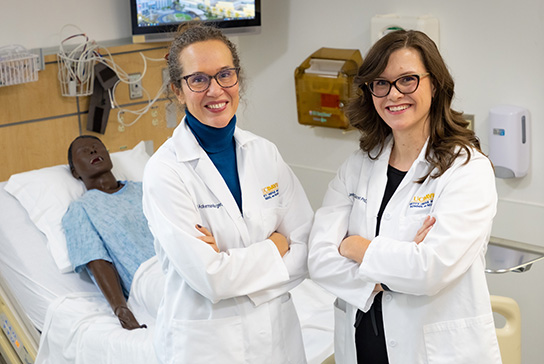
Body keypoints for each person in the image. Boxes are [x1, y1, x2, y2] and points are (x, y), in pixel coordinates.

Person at [308, 30, 502, 364]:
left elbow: (429, 270)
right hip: (362, 346)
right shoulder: (356, 166)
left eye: (407, 80)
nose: (393, 94)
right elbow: (319, 260)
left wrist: (355, 247)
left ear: (435, 84)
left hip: (434, 353)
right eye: (380, 83)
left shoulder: (468, 169)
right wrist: (394, 270)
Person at [142, 23, 313, 364]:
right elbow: (212, 279)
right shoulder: (166, 172)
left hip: (278, 340)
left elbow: (308, 247)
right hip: (208, 346)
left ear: (238, 78)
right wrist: (276, 245)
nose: (215, 90)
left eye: (224, 75)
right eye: (198, 79)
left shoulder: (264, 153)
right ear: (178, 90)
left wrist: (232, 265)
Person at [62, 135, 155, 330]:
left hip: (182, 264)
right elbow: (97, 262)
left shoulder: (147, 189)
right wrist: (121, 310)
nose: (93, 151)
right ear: (74, 172)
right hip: (149, 278)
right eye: (84, 151)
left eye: (97, 146)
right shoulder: (81, 210)